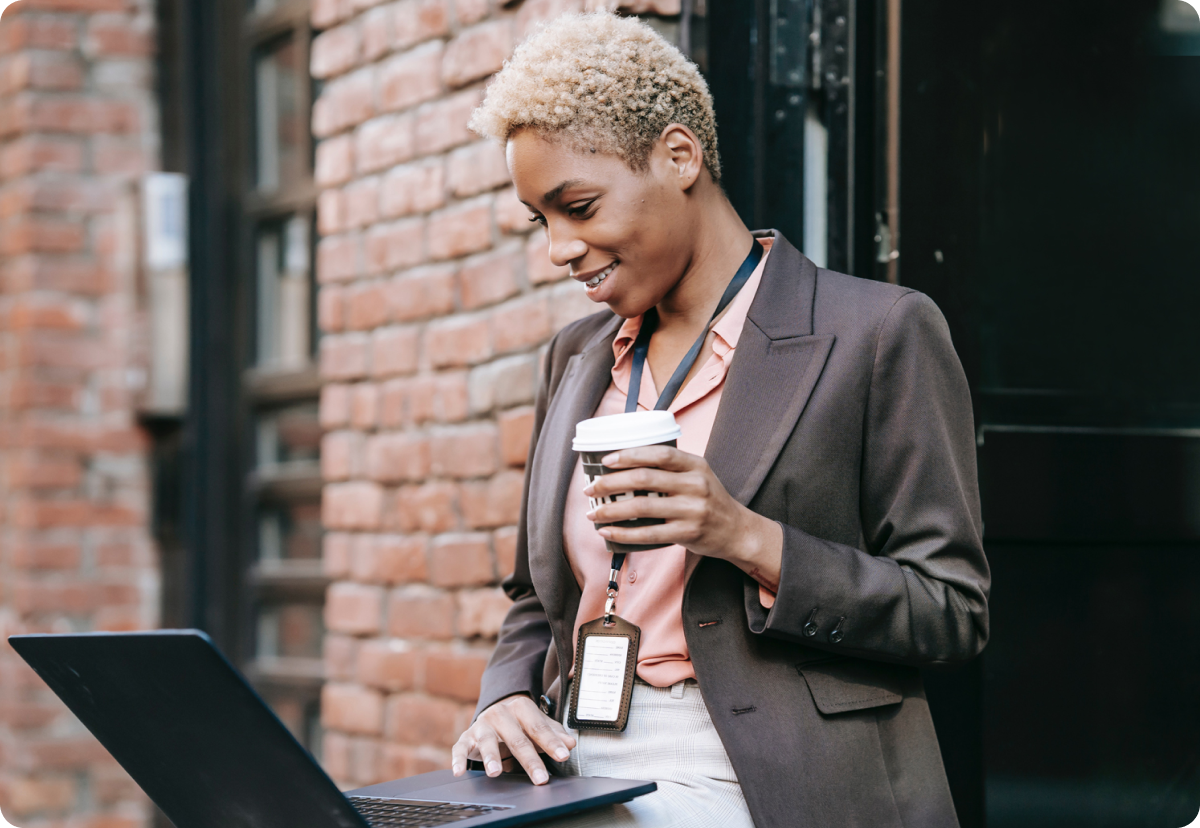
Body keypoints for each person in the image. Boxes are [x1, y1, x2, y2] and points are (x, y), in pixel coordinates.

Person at [452, 12, 989, 828]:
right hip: (575, 759)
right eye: (541, 219)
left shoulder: (880, 332)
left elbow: (952, 610)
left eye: (580, 206)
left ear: (679, 156)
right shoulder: (575, 356)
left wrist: (745, 536)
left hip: (774, 779)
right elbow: (537, 596)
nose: (559, 247)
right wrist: (505, 697)